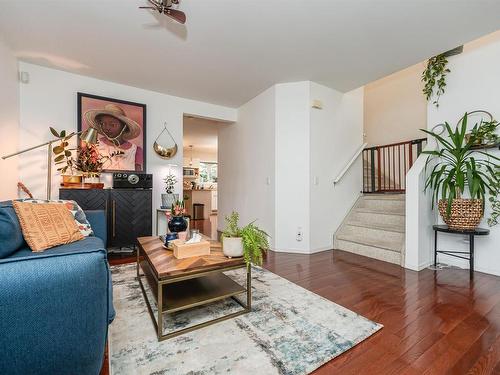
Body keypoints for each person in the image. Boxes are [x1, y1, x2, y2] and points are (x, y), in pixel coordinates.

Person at [84, 104, 143, 171]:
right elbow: (90, 171)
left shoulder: (135, 151)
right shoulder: (95, 146)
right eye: (103, 124)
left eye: (112, 125)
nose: (107, 128)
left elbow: (138, 176)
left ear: (124, 127)